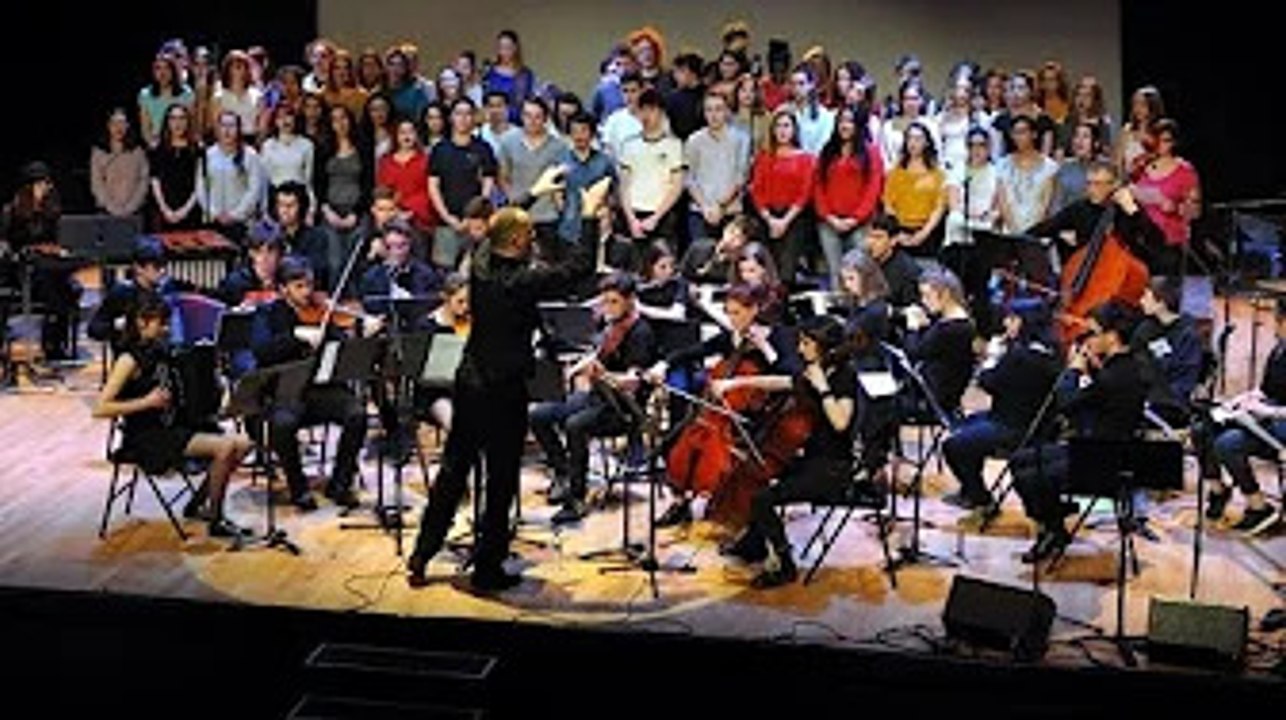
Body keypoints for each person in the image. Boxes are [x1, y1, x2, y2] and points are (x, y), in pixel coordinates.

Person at [407, 197, 604, 592]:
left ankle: (421, 554)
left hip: (470, 383)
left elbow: (491, 233)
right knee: (500, 480)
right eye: (529, 234)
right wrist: (588, 214)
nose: (534, 240)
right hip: (503, 392)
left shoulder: (479, 266)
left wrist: (532, 193)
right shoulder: (521, 281)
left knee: (452, 471)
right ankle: (487, 570)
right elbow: (580, 268)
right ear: (516, 241)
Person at [710, 315, 881, 588]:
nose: (800, 348)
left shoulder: (844, 377)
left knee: (764, 499)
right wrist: (737, 383)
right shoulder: (815, 369)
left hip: (833, 469)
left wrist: (823, 386)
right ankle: (754, 543)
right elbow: (783, 382)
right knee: (756, 476)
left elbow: (840, 421)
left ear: (823, 346)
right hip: (810, 457)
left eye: (806, 343)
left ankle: (783, 565)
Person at [93, 294, 253, 538]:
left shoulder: (163, 352)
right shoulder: (128, 360)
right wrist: (145, 402)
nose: (166, 329)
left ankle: (197, 505)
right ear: (141, 322)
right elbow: (100, 408)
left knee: (243, 444)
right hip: (147, 436)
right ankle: (216, 519)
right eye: (161, 323)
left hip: (175, 426)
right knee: (225, 448)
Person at [1012, 301, 1147, 563]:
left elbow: (1067, 405)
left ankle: (1053, 524)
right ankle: (1054, 523)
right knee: (1020, 460)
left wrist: (1074, 372)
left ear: (1111, 336)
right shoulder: (1127, 365)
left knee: (1031, 475)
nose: (1086, 340)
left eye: (1092, 333)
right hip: (1101, 447)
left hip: (1103, 460)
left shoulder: (1113, 377)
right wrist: (1094, 370)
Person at [530, 272, 656, 525]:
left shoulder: (640, 333)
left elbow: (633, 382)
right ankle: (563, 473)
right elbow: (595, 353)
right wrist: (577, 369)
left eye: (614, 302)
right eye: (605, 301)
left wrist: (603, 374)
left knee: (575, 425)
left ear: (630, 301)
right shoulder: (609, 325)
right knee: (537, 415)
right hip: (597, 397)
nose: (607, 307)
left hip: (622, 409)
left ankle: (577, 497)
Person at [250, 257, 367, 511]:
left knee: (357, 414)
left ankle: (340, 483)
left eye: (309, 286)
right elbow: (261, 351)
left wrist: (361, 333)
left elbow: (341, 348)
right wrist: (295, 335)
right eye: (299, 286)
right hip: (285, 393)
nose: (307, 293)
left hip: (321, 390)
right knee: (282, 424)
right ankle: (298, 487)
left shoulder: (321, 312)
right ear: (283, 289)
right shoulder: (267, 314)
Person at [942, 303, 1060, 510]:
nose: (1006, 323)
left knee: (953, 444)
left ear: (1025, 323)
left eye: (1012, 319)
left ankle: (977, 493)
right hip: (1034, 424)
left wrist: (992, 357)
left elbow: (987, 383)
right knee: (964, 425)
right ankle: (971, 491)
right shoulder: (1052, 353)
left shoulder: (1020, 357)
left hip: (1012, 427)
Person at [1205, 298, 1285, 536]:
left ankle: (1258, 506)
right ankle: (1218, 491)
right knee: (1204, 427)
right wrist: (1243, 399)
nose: (1274, 324)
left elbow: (1274, 405)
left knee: (1228, 444)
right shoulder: (1279, 349)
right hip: (1270, 414)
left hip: (1281, 422)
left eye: (1277, 319)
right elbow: (1267, 390)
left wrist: (1267, 411)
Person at [1, 161, 81, 360]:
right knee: (52, 280)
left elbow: (61, 240)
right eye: (42, 184)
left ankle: (54, 338)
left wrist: (57, 249)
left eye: (47, 184)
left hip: (49, 264)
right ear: (29, 187)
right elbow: (6, 244)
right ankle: (52, 339)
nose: (47, 188)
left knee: (59, 277)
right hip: (22, 268)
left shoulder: (53, 211)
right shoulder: (11, 211)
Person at [88, 237, 190, 353]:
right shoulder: (122, 293)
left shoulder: (168, 288)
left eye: (163, 265)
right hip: (130, 356)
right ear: (138, 268)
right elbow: (94, 329)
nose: (162, 271)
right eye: (156, 266)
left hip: (161, 356)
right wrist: (118, 326)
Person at [90, 108, 150, 219]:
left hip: (134, 212)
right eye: (114, 122)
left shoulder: (138, 152)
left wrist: (130, 207)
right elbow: (97, 184)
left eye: (122, 122)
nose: (118, 127)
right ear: (108, 125)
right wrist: (112, 208)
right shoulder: (99, 152)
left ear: (128, 125)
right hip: (106, 212)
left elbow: (143, 181)